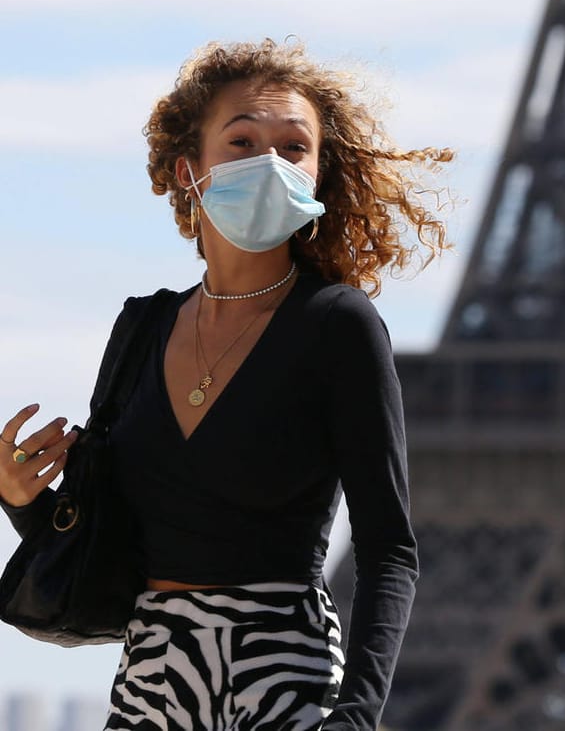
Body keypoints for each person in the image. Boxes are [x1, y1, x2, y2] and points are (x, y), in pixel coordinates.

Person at [0, 38, 452, 730]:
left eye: (293, 146)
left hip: (286, 672)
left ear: (318, 175)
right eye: (241, 140)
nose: (269, 161)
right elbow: (105, 539)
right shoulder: (141, 328)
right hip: (152, 675)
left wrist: (356, 716)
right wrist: (24, 501)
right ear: (190, 169)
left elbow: (388, 545)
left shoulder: (337, 325)